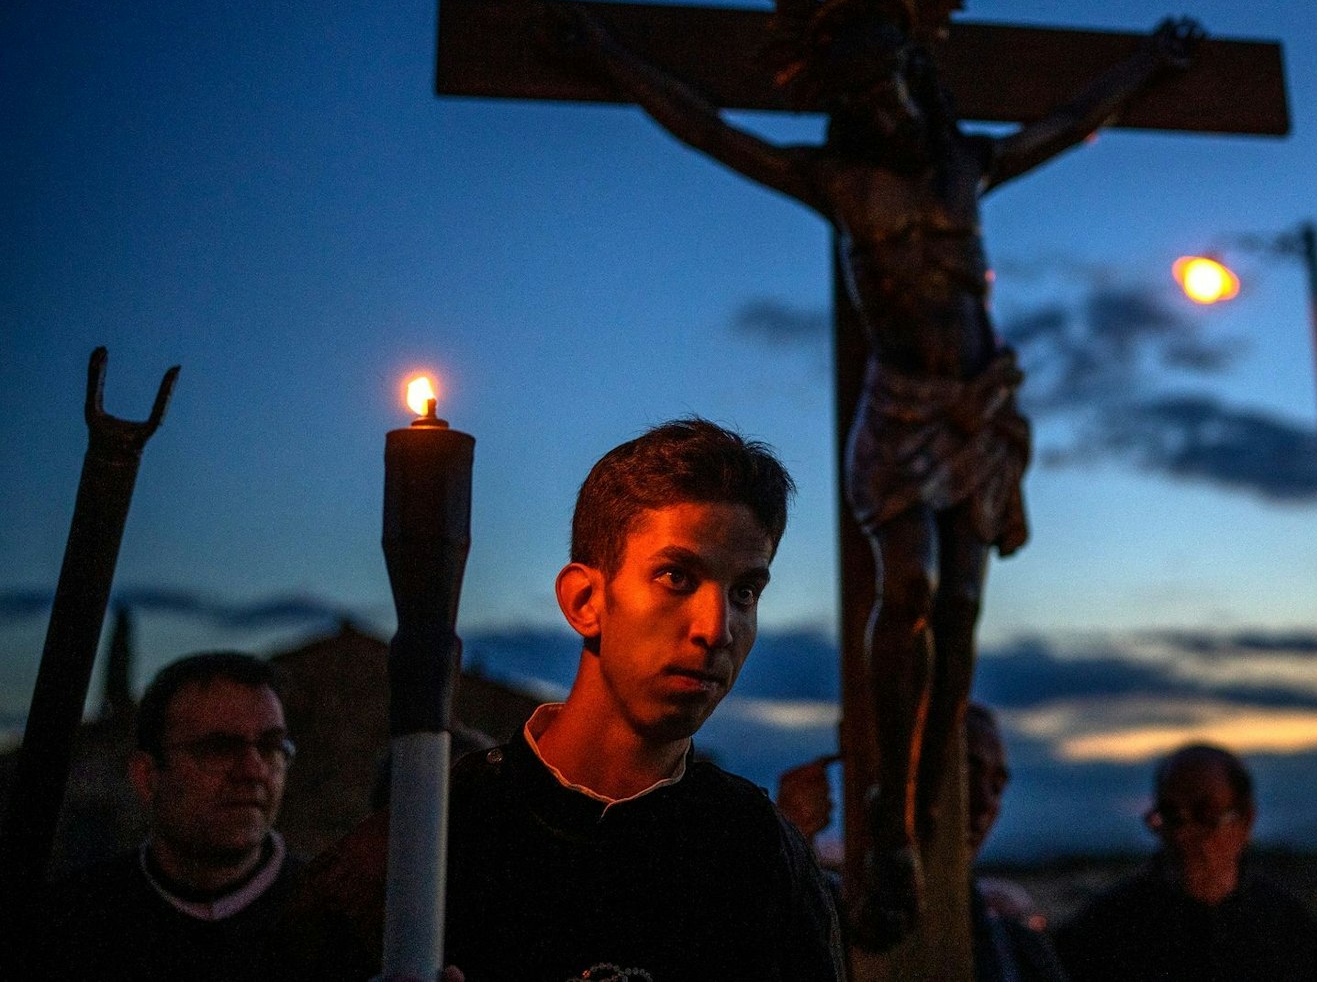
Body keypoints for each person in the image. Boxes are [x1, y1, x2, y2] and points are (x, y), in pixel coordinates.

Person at [554, 0, 1199, 942]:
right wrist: (608, 57)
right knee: (906, 593)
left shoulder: (963, 163)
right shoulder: (836, 179)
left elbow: (1069, 123)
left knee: (962, 606)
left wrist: (1149, 65)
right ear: (845, 100)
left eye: (893, 75)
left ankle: (924, 797)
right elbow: (705, 125)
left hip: (973, 412)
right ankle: (888, 822)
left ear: (915, 73)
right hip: (899, 407)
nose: (882, 97)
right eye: (861, 86)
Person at [289, 418, 843, 982]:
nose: (717, 627)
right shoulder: (434, 836)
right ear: (584, 600)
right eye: (676, 577)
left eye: (744, 592)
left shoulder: (759, 854)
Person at [27, 651, 302, 981]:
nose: (253, 770)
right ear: (148, 777)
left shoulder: (335, 920)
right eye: (219, 748)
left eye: (271, 746)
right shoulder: (71, 925)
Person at [775, 702, 1070, 982]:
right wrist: (788, 842)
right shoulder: (836, 918)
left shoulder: (1018, 952)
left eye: (996, 785)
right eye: (963, 772)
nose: (983, 802)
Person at [1054, 744, 1317, 982]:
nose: (1184, 834)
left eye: (1206, 814)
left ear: (1245, 819)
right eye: (1171, 815)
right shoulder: (1103, 933)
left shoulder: (1289, 931)